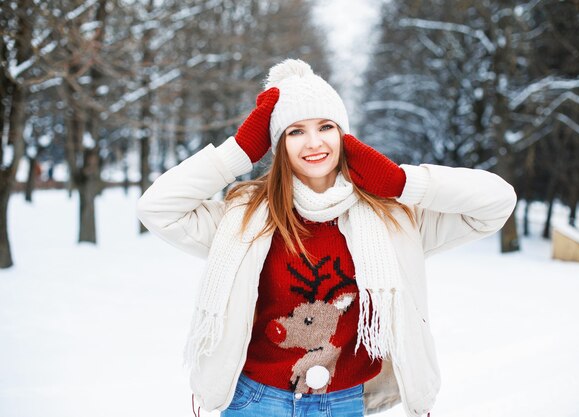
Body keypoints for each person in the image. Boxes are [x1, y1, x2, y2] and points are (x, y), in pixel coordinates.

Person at [137, 59, 517, 417]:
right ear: (277, 144)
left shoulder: (394, 218)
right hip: (255, 400)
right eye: (296, 131)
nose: (313, 142)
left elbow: (497, 203)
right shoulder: (246, 216)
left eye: (326, 127)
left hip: (343, 401)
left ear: (343, 134)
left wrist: (403, 183)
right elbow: (156, 208)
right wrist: (237, 153)